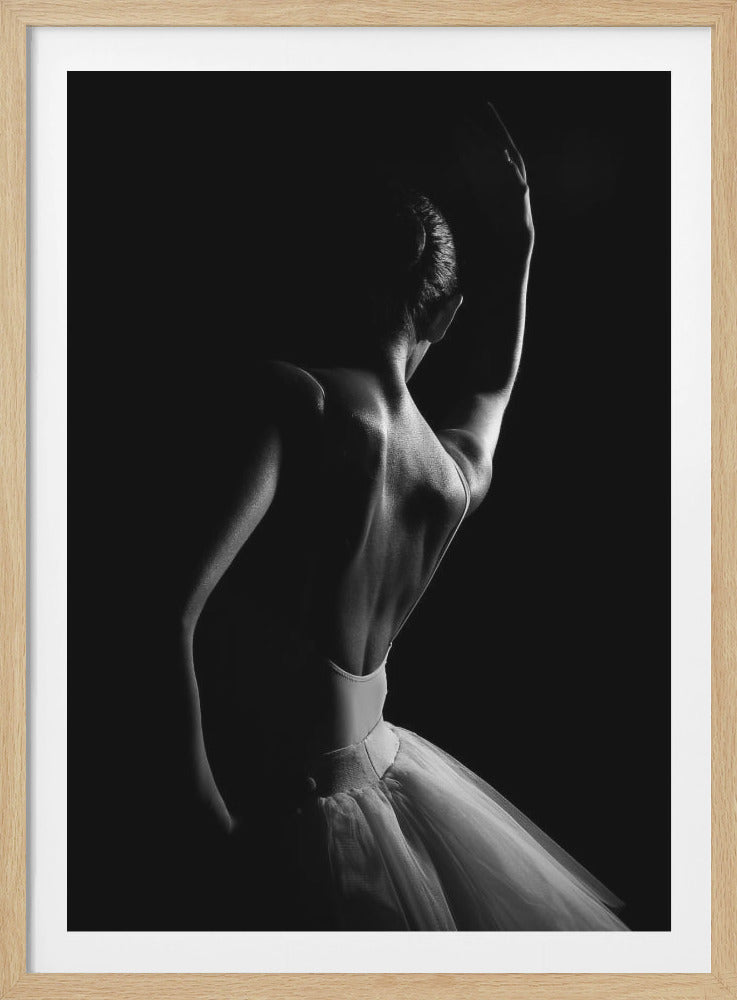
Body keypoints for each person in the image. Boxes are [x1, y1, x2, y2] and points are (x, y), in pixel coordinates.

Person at [177, 100, 628, 931]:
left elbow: (162, 613)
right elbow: (493, 383)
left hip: (268, 800)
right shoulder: (453, 475)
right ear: (443, 315)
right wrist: (518, 247)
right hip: (379, 782)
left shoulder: (295, 402)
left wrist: (193, 793)